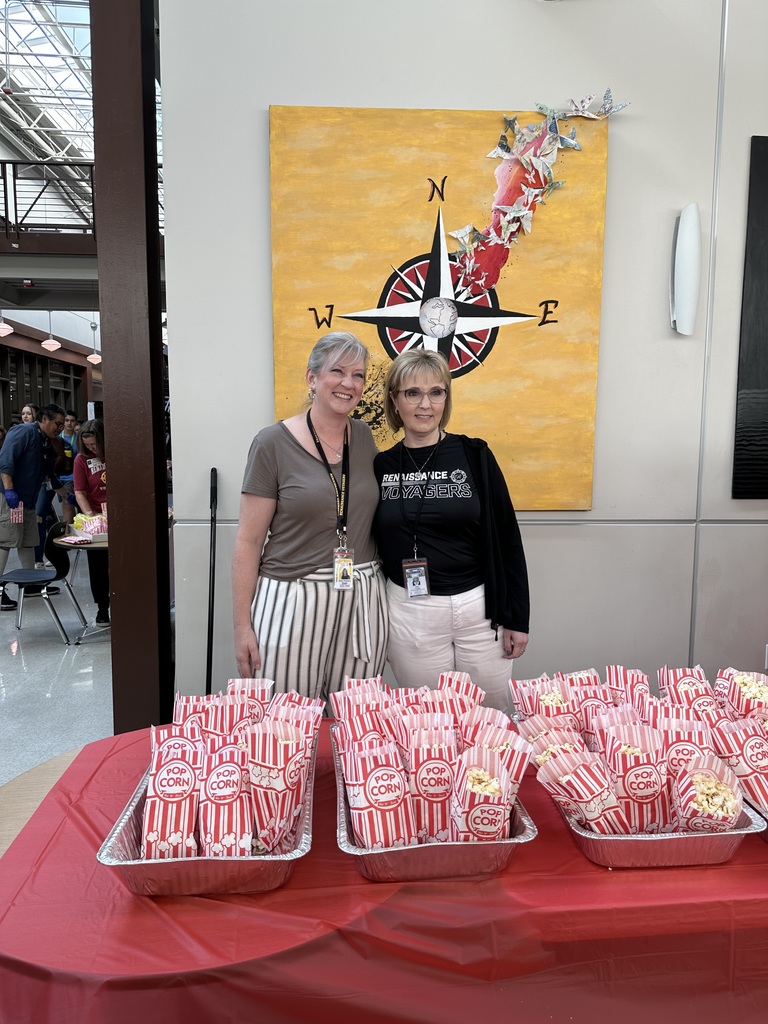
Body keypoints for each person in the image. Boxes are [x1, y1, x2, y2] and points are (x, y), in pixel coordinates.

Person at [232, 331, 387, 700]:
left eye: (359, 375)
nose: (349, 383)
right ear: (312, 377)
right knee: (288, 721)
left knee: (356, 719)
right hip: (291, 595)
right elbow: (248, 540)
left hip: (361, 595)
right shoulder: (271, 443)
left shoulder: (364, 438)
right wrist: (242, 627)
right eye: (337, 371)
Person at [372, 349, 529, 711]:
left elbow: (508, 538)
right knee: (428, 720)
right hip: (412, 613)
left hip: (479, 609)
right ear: (395, 401)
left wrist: (517, 618)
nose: (425, 404)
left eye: (436, 392)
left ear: (446, 398)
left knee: (491, 720)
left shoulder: (475, 455)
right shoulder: (381, 466)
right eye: (412, 393)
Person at [0, 404, 68, 610]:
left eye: (62, 424)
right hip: (10, 498)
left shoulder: (46, 440)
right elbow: (6, 461)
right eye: (57, 423)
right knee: (5, 540)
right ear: (44, 419)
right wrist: (9, 489)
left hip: (26, 500)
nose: (60, 428)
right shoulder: (24, 432)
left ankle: (28, 585)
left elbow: (48, 472)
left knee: (27, 541)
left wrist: (66, 493)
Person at [73, 419, 110, 625]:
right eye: (87, 445)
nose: (91, 448)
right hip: (96, 518)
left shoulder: (114, 453)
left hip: (119, 515)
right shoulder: (81, 459)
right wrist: (90, 516)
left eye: (94, 444)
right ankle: (102, 607)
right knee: (97, 565)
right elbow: (80, 492)